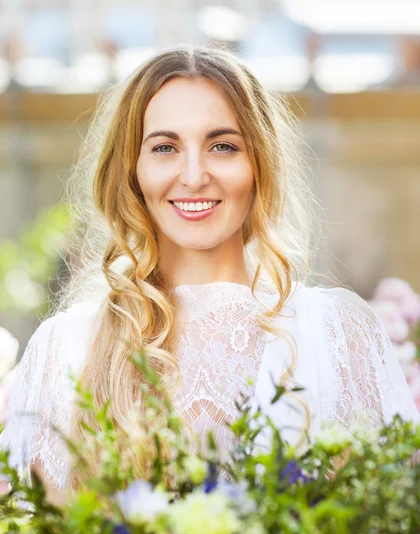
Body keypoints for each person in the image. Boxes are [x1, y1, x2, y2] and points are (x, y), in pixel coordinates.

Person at [1, 45, 419, 507]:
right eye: (164, 147)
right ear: (131, 171)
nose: (195, 175)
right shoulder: (67, 349)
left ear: (259, 163)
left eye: (222, 146)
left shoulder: (338, 334)